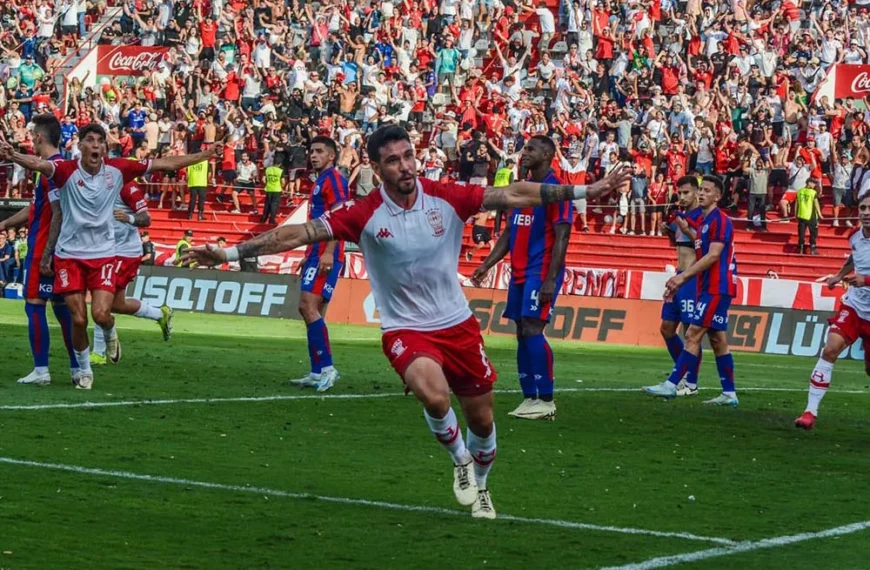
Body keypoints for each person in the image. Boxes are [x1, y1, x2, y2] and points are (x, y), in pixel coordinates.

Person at [182, 125, 631, 520]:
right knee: (435, 398)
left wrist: (585, 192)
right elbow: (296, 233)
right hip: (405, 328)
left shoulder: (447, 196)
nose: (405, 166)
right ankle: (459, 460)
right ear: (377, 169)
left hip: (457, 324)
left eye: (408, 156)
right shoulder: (363, 212)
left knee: (483, 421)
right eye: (393, 161)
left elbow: (514, 193)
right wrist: (229, 253)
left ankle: (483, 486)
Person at [0, 124, 222, 390]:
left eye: (100, 141)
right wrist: (13, 156)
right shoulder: (66, 171)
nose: (95, 145)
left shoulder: (118, 170)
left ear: (105, 148)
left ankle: (108, 331)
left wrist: (205, 155)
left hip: (104, 255)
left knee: (102, 313)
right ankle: (84, 371)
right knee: (79, 319)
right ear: (79, 146)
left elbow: (166, 163)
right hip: (69, 256)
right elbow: (39, 164)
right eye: (89, 140)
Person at [470, 135, 574, 420]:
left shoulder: (557, 190)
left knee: (532, 328)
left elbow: (563, 236)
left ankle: (547, 399)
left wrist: (551, 279)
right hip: (517, 272)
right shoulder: (519, 190)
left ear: (547, 155)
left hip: (540, 271)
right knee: (520, 330)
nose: (524, 153)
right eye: (524, 149)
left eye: (531, 149)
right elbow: (508, 233)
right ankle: (530, 397)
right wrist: (488, 264)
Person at [643, 176, 739, 406]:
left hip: (717, 286)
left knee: (692, 334)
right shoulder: (705, 223)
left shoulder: (720, 220)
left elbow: (713, 254)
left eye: (706, 191)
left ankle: (673, 384)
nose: (702, 194)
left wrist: (683, 276)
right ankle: (729, 393)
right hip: (710, 286)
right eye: (702, 190)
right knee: (716, 339)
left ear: (717, 196)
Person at [0, 114, 77, 386]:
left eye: (32, 136)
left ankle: (41, 370)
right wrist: (5, 223)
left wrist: (45, 253)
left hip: (43, 247)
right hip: (59, 248)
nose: (30, 140)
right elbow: (37, 208)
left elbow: (57, 213)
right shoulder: (60, 167)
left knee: (34, 306)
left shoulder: (50, 169)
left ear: (39, 137)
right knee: (62, 308)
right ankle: (78, 367)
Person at [795, 193, 870, 430]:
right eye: (863, 207)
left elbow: (862, 273)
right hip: (854, 307)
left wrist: (865, 280)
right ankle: (810, 412)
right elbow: (854, 257)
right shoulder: (854, 236)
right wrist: (839, 275)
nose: (866, 212)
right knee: (830, 350)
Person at [90, 179, 173, 365]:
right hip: (105, 248)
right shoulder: (91, 184)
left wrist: (129, 218)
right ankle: (160, 314)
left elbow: (147, 219)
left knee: (100, 299)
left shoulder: (127, 186)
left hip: (124, 252)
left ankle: (99, 352)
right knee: (117, 304)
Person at [289, 137, 349, 392]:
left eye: (319, 151)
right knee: (310, 309)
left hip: (328, 253)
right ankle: (317, 370)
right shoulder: (321, 181)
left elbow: (340, 216)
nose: (313, 155)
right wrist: (310, 252)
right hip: (317, 251)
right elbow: (318, 223)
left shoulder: (334, 178)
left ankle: (327, 368)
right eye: (311, 151)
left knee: (307, 306)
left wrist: (328, 252)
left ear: (332, 156)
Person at [644, 176, 704, 398]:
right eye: (680, 193)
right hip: (678, 276)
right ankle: (683, 374)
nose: (682, 197)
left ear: (697, 193)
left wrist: (686, 229)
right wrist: (670, 231)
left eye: (687, 192)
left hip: (692, 279)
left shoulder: (701, 217)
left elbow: (705, 247)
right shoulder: (682, 216)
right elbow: (680, 245)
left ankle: (691, 383)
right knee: (667, 329)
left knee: (692, 333)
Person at [796, 179, 822, 255]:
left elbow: (797, 203)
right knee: (813, 232)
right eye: (813, 183)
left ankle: (800, 248)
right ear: (809, 183)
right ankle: (812, 249)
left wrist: (795, 213)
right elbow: (816, 204)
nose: (814, 185)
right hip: (811, 215)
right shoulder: (813, 192)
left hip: (801, 214)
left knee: (801, 233)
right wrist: (820, 214)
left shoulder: (800, 191)